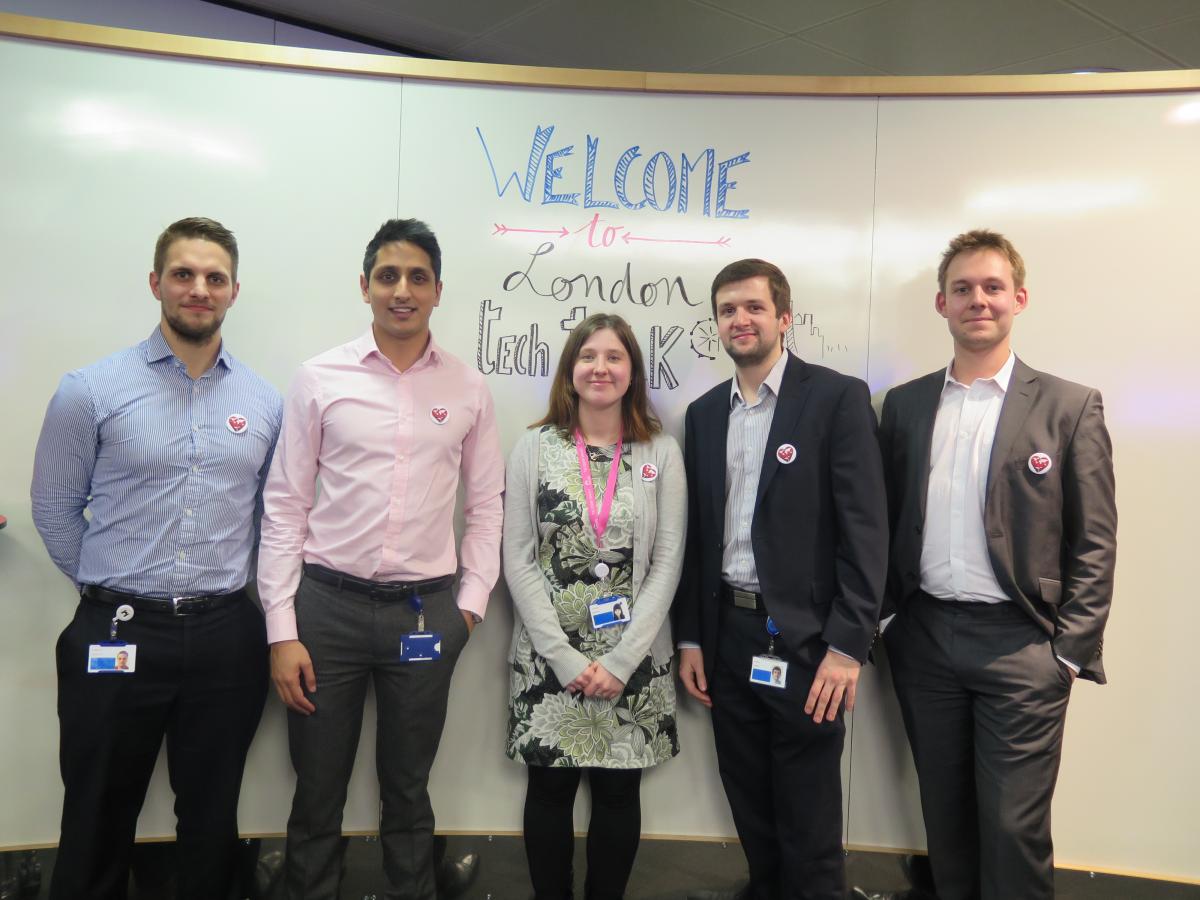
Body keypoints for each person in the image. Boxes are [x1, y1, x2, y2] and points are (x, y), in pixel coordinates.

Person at [31, 217, 282, 900]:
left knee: (212, 818)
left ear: (233, 292)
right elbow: (54, 508)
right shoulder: (90, 389)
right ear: (156, 283)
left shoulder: (265, 402)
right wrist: (111, 588)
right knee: (96, 814)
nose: (199, 289)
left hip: (226, 634)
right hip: (117, 632)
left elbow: (271, 519)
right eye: (183, 274)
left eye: (214, 277)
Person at [258, 218, 503, 900]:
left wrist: (468, 609)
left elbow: (487, 506)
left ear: (437, 291)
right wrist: (281, 629)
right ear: (364, 286)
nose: (402, 291)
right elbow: (285, 505)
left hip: (424, 615)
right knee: (317, 786)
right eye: (388, 276)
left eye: (418, 278)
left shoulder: (468, 388)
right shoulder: (319, 378)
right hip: (324, 612)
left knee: (408, 785)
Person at [873, 229, 1116, 900]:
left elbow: (1095, 540)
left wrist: (1068, 653)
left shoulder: (1069, 406)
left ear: (1019, 298)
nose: (977, 300)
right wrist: (890, 620)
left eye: (992, 287)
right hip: (925, 643)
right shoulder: (905, 405)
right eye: (962, 289)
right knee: (946, 823)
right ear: (942, 304)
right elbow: (882, 519)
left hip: (1023, 647)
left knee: (1012, 830)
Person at [674, 259, 888, 900]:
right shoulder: (703, 414)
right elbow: (697, 537)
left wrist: (848, 646)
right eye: (727, 310)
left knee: (808, 809)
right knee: (748, 796)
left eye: (754, 307)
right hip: (727, 635)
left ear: (784, 318)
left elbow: (866, 530)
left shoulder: (835, 398)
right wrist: (691, 638)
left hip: (808, 640)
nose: (740, 320)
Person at [503, 312, 685, 900]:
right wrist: (561, 656)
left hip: (634, 658)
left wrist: (622, 661)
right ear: (570, 370)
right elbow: (518, 559)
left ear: (633, 372)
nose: (600, 368)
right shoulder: (534, 447)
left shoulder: (660, 451)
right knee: (549, 792)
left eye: (614, 357)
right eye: (588, 356)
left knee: (618, 794)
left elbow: (668, 561)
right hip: (548, 656)